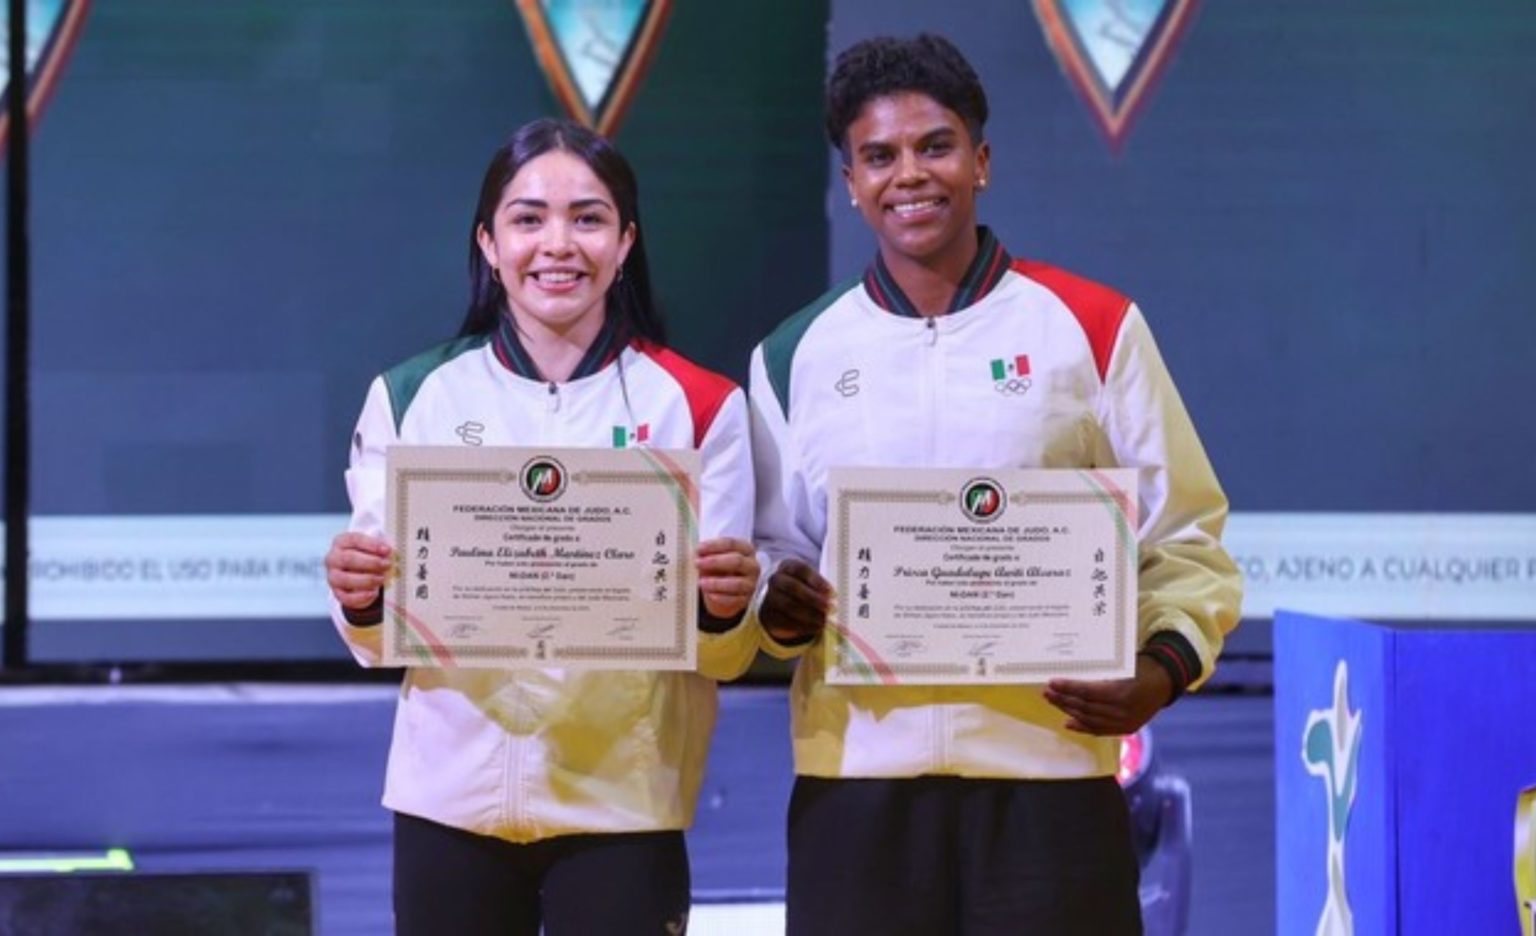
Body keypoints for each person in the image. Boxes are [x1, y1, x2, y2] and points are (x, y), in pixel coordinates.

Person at [748, 34, 1242, 935]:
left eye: (935, 146)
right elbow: (772, 552)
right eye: (879, 156)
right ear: (852, 182)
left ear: (981, 161)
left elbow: (1185, 537)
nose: (910, 175)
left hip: (1051, 777)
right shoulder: (792, 355)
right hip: (858, 787)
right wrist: (775, 605)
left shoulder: (1092, 327)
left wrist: (1160, 671)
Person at [324, 118, 761, 936]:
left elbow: (726, 656)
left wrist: (726, 609)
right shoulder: (413, 397)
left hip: (625, 801)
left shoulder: (700, 406)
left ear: (625, 242)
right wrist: (358, 597)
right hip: (447, 800)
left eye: (588, 219)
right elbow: (378, 642)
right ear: (489, 244)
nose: (558, 245)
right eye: (528, 219)